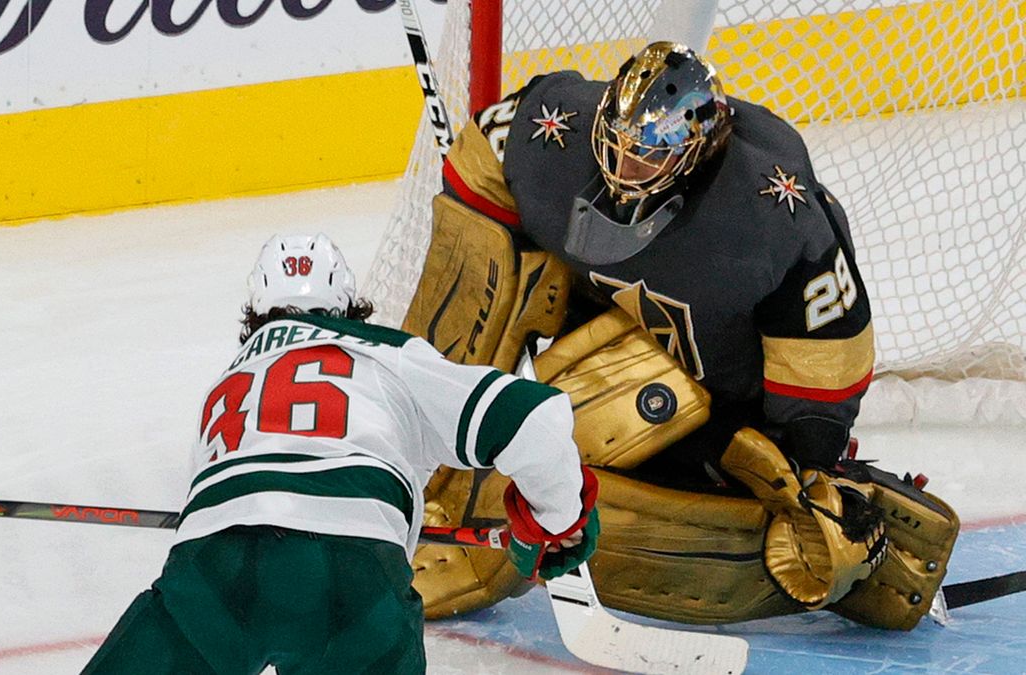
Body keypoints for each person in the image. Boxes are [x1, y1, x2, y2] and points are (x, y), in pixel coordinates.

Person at [401, 41, 959, 631]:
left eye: (647, 156)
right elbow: (477, 176)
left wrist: (809, 465)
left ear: (696, 153)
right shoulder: (554, 125)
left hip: (718, 398)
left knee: (728, 530)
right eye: (618, 145)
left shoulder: (770, 213)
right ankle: (428, 462)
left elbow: (829, 359)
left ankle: (848, 528)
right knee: (516, 327)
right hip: (594, 333)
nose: (624, 169)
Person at [83, 233, 600, 674]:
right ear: (350, 310)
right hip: (352, 574)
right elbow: (534, 418)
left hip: (216, 565)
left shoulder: (228, 381)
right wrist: (556, 517)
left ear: (254, 319)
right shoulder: (385, 353)